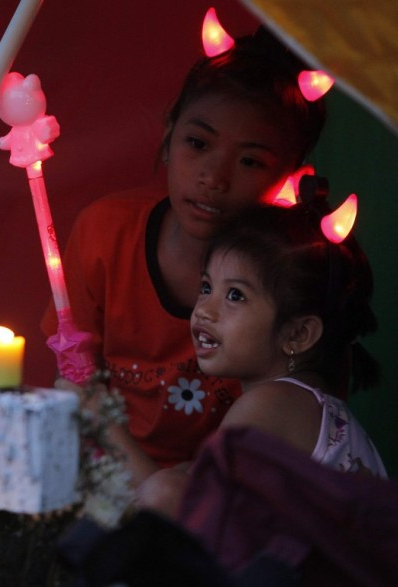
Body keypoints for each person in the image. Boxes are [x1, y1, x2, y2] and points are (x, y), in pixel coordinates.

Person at [41, 25, 327, 485]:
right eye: (198, 143)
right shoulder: (104, 233)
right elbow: (76, 381)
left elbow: (299, 432)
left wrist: (175, 497)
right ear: (170, 132)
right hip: (104, 473)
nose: (214, 177)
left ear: (291, 177)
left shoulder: (295, 277)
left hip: (221, 492)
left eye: (250, 161)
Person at [136, 192, 387, 517]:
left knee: (164, 490)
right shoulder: (306, 404)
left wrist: (102, 423)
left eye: (236, 295)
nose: (205, 311)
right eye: (207, 287)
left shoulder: (268, 406)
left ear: (298, 334)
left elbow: (186, 516)